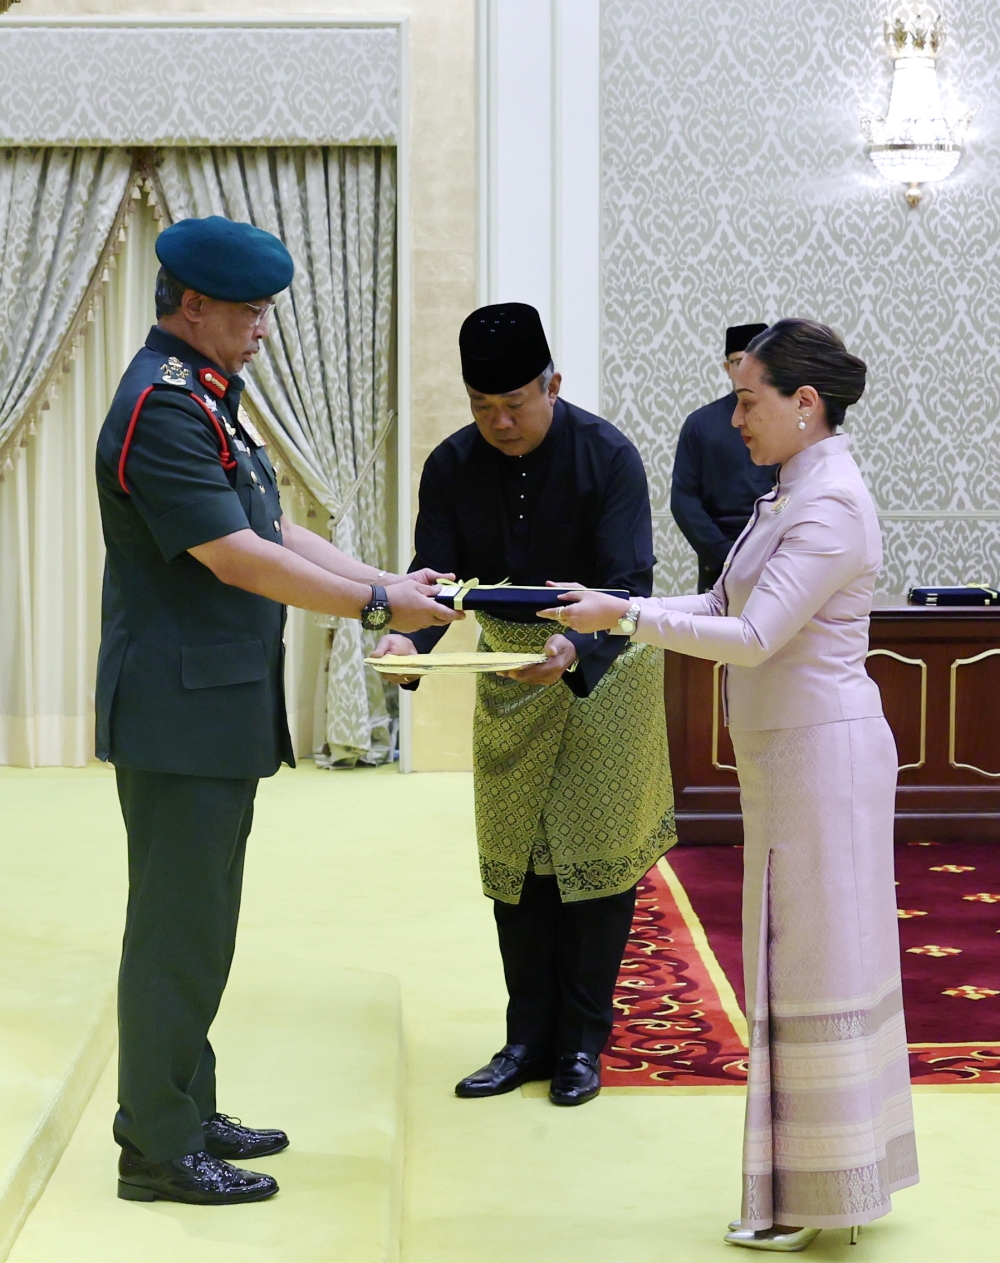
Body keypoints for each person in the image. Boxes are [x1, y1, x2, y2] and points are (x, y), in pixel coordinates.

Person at [95, 216, 460, 1206]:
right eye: (251, 310)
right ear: (194, 304)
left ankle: (182, 1099)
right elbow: (236, 556)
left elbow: (274, 522)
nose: (263, 327)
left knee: (202, 921)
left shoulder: (209, 393)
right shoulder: (159, 407)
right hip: (177, 712)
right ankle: (156, 1147)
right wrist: (379, 608)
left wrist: (382, 576)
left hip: (210, 704)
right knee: (176, 928)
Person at [542, 320, 917, 1251]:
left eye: (748, 399)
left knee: (816, 966)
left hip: (822, 760)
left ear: (805, 403)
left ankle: (820, 1193)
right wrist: (611, 609)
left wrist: (623, 615)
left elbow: (755, 639)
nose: (733, 417)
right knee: (795, 961)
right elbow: (719, 604)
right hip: (790, 758)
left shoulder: (828, 502)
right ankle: (827, 1183)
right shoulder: (791, 489)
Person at [371, 302, 675, 1106]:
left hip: (602, 668)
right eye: (482, 407)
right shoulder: (451, 464)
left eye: (515, 404)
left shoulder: (607, 455)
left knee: (594, 866)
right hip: (510, 669)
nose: (499, 423)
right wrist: (409, 643)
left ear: (554, 385)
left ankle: (582, 1045)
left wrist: (575, 646)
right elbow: (432, 581)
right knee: (520, 863)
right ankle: (524, 1040)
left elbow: (628, 584)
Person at [671, 323, 777, 591]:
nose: (747, 371)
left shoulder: (783, 421)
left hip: (778, 555)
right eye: (739, 362)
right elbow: (684, 501)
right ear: (727, 367)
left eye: (757, 362)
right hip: (719, 559)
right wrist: (727, 555)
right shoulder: (700, 423)